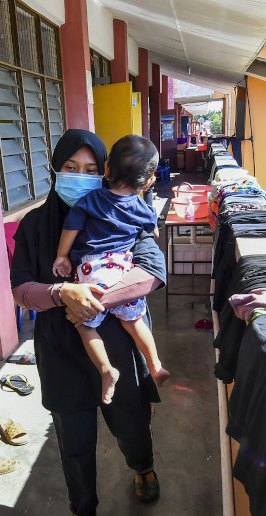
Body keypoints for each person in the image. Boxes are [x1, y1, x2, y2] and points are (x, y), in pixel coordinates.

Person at [10, 129, 166, 516]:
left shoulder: (125, 210)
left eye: (91, 170)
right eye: (70, 168)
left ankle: (143, 467)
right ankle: (83, 513)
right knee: (74, 440)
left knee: (131, 423)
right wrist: (62, 295)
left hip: (117, 340)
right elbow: (21, 288)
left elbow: (151, 270)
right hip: (61, 348)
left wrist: (94, 299)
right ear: (55, 171)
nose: (80, 177)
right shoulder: (35, 226)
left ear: (107, 172)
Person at [52, 135, 169, 404]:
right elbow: (152, 231)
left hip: (93, 271)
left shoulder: (90, 200)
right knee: (135, 322)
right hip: (122, 271)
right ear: (148, 181)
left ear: (106, 169)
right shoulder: (142, 207)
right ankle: (155, 364)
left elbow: (72, 229)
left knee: (84, 325)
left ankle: (106, 370)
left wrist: (62, 256)